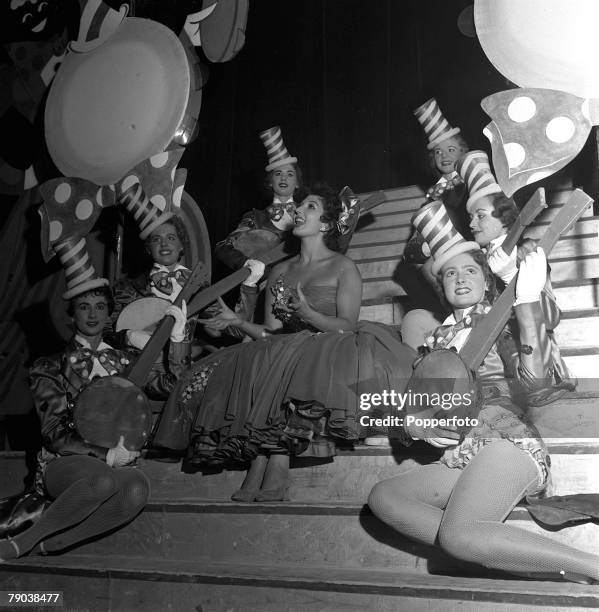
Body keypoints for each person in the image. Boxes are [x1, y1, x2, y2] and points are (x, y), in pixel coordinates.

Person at [153, 182, 417, 501]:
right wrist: (238, 322)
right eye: (299, 205)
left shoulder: (343, 267)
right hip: (284, 349)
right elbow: (271, 333)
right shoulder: (279, 271)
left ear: (326, 223)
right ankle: (261, 457)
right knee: (258, 356)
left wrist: (308, 313)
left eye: (311, 207)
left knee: (300, 355)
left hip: (329, 345)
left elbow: (346, 326)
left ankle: (275, 461)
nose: (299, 210)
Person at [367, 226, 599, 583]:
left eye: (470, 269)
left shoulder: (501, 320)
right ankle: (501, 552)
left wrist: (526, 304)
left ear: (486, 277)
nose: (460, 278)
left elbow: (537, 383)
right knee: (384, 497)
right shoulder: (435, 340)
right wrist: (414, 425)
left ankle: (588, 567)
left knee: (458, 535)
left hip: (507, 443)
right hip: (461, 454)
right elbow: (407, 406)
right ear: (440, 284)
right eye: (449, 272)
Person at [0, 284, 187, 560]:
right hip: (64, 461)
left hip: (120, 458)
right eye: (84, 307)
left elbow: (174, 385)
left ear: (109, 315)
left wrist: (179, 338)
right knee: (101, 479)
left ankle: (58, 543)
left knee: (137, 489)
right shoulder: (49, 366)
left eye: (100, 307)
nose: (93, 314)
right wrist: (107, 455)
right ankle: (23, 543)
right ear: (71, 316)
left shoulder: (126, 361)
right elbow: (53, 433)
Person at [395, 98, 471, 323]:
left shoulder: (471, 181)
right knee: (411, 266)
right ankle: (450, 312)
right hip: (438, 253)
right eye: (438, 152)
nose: (444, 156)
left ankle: (459, 310)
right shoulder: (434, 193)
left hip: (467, 244)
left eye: (450, 149)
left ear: (462, 152)